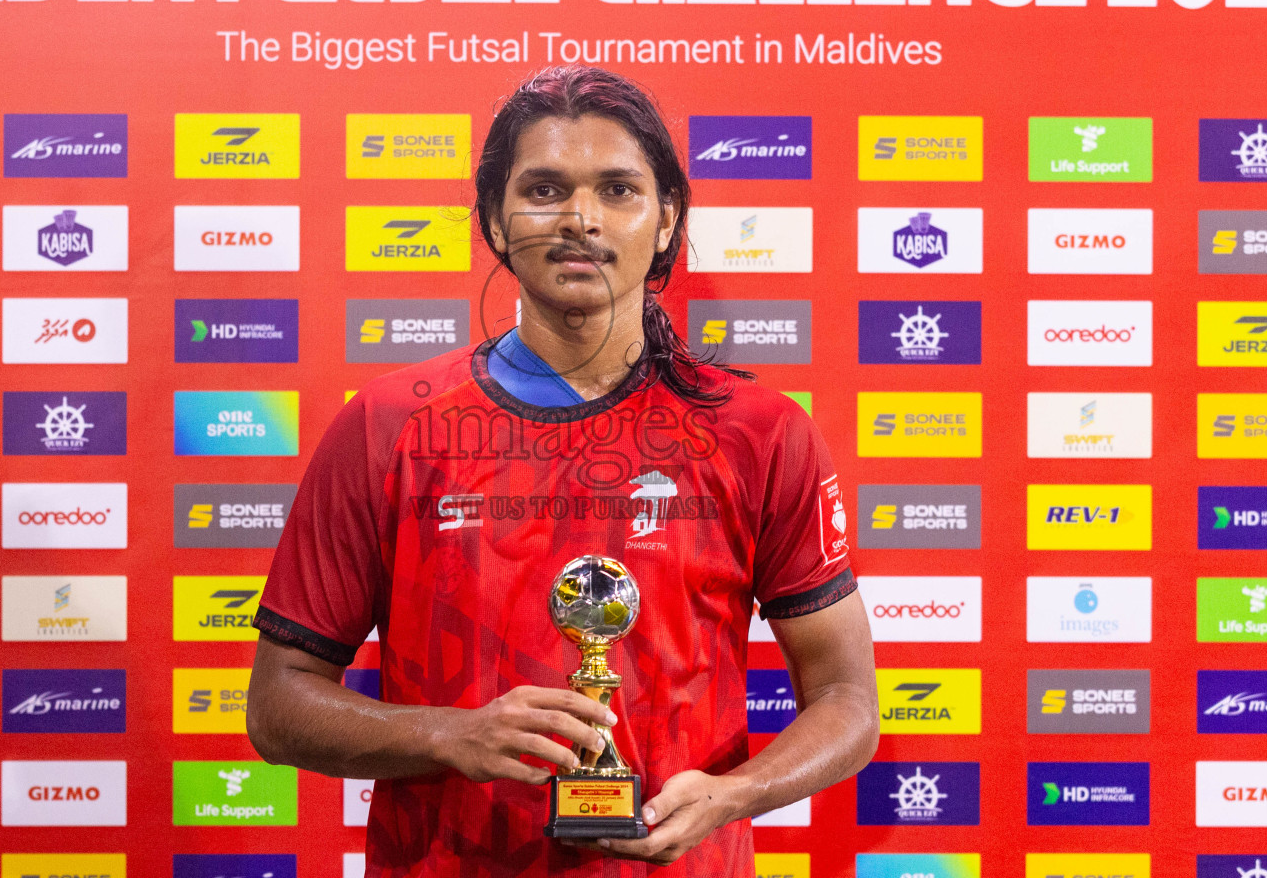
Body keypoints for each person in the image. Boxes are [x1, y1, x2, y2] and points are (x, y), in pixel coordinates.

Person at [247, 66, 878, 877]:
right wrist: (447, 733)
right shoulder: (390, 425)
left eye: (618, 189)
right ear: (495, 223)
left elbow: (847, 700)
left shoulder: (758, 433)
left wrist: (737, 794)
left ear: (666, 221)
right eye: (544, 189)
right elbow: (278, 704)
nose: (580, 218)